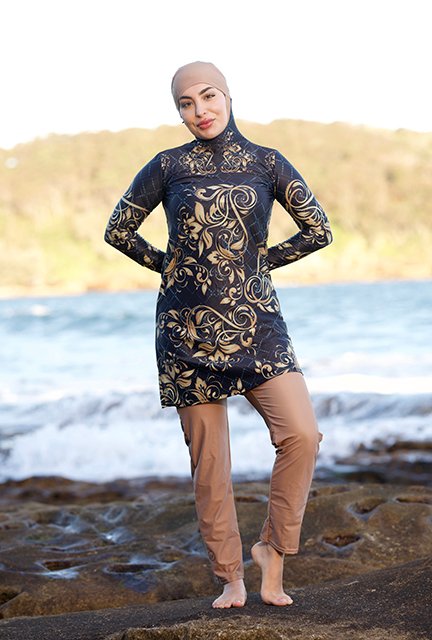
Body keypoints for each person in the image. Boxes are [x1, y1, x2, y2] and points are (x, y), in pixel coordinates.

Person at [105, 61, 332, 609]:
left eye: (208, 96)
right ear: (179, 111)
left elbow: (318, 230)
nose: (199, 111)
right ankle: (231, 577)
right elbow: (118, 229)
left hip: (259, 325)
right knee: (210, 464)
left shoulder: (267, 162)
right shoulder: (167, 166)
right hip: (185, 331)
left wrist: (259, 263)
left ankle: (273, 552)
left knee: (302, 434)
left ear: (227, 96)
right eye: (185, 103)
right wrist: (170, 266)